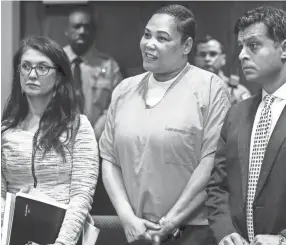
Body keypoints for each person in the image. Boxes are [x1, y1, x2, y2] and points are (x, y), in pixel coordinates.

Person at [100, 4, 230, 245]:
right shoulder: (124, 90)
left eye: (162, 38)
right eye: (147, 35)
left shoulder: (210, 88)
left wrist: (170, 222)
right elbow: (109, 159)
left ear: (186, 46)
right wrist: (127, 217)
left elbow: (212, 162)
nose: (149, 44)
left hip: (194, 230)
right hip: (137, 231)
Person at [1, 36, 99, 245]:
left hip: (63, 236)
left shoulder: (78, 127)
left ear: (59, 76)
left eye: (42, 67)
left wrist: (62, 243)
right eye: (25, 67)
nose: (32, 74)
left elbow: (81, 196)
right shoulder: (5, 130)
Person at [206, 6, 286, 245]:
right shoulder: (236, 114)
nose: (241, 55)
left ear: (283, 48)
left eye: (253, 46)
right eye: (241, 46)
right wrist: (224, 231)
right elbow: (217, 186)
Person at [63, 5, 123, 140]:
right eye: (77, 26)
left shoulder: (109, 66)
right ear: (67, 30)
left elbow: (116, 106)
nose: (82, 31)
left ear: (94, 31)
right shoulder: (53, 63)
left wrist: (93, 135)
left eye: (87, 27)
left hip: (97, 142)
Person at [194, 35, 251, 105]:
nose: (207, 59)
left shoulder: (238, 92)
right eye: (202, 54)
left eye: (213, 54)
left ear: (223, 59)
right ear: (195, 59)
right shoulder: (185, 89)